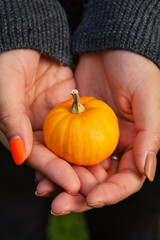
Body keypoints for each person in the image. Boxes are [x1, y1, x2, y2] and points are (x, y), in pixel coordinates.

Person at [0, 0, 160, 239]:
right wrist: (13, 19)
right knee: (15, 214)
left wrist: (134, 25)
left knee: (130, 223)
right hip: (27, 101)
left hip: (121, 53)